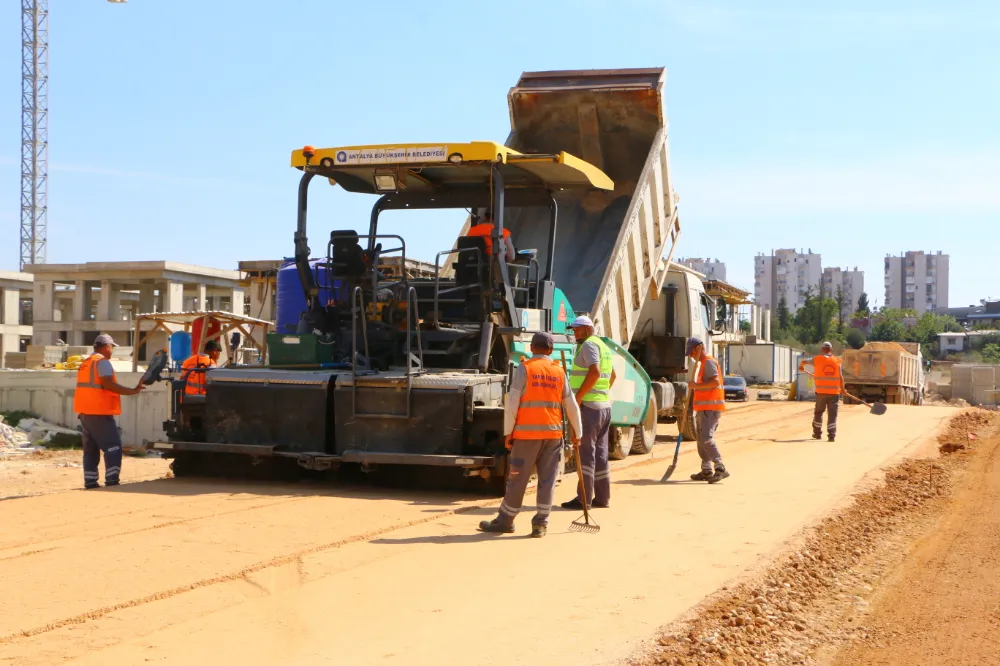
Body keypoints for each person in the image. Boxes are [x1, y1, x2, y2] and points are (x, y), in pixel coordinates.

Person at [479, 332, 582, 538]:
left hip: (526, 436)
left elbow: (512, 403)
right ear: (551, 350)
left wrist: (508, 432)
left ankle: (506, 521)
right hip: (553, 435)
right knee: (548, 480)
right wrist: (578, 432)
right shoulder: (559, 372)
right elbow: (571, 405)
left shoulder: (525, 368)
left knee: (517, 479)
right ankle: (541, 524)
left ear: (532, 348)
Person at [73, 334, 146, 489]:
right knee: (113, 446)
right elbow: (108, 384)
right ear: (107, 347)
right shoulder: (102, 362)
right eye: (112, 347)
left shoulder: (86, 362)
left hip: (85, 412)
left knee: (91, 449)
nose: (112, 351)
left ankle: (90, 481)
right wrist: (132, 391)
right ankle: (112, 481)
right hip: (99, 412)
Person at [561, 315, 616, 510]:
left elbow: (595, 372)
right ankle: (602, 497)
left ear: (588, 329)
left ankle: (584, 498)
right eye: (574, 329)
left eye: (577, 329)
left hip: (590, 409)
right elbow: (613, 375)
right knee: (600, 454)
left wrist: (579, 397)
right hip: (603, 407)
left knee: (586, 453)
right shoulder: (602, 346)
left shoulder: (589, 346)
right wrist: (600, 393)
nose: (574, 333)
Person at [687, 337, 729, 483]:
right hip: (703, 408)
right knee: (700, 440)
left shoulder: (709, 362)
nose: (691, 355)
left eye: (691, 352)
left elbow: (714, 382)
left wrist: (695, 386)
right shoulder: (702, 364)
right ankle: (706, 470)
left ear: (698, 348)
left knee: (706, 438)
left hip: (710, 408)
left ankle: (720, 467)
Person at [798, 341, 845, 442]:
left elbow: (803, 361)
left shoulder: (817, 359)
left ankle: (817, 433)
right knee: (832, 414)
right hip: (834, 393)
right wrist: (843, 390)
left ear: (822, 349)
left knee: (819, 413)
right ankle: (831, 436)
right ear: (831, 350)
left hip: (821, 393)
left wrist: (801, 367)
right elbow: (841, 377)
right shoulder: (837, 361)